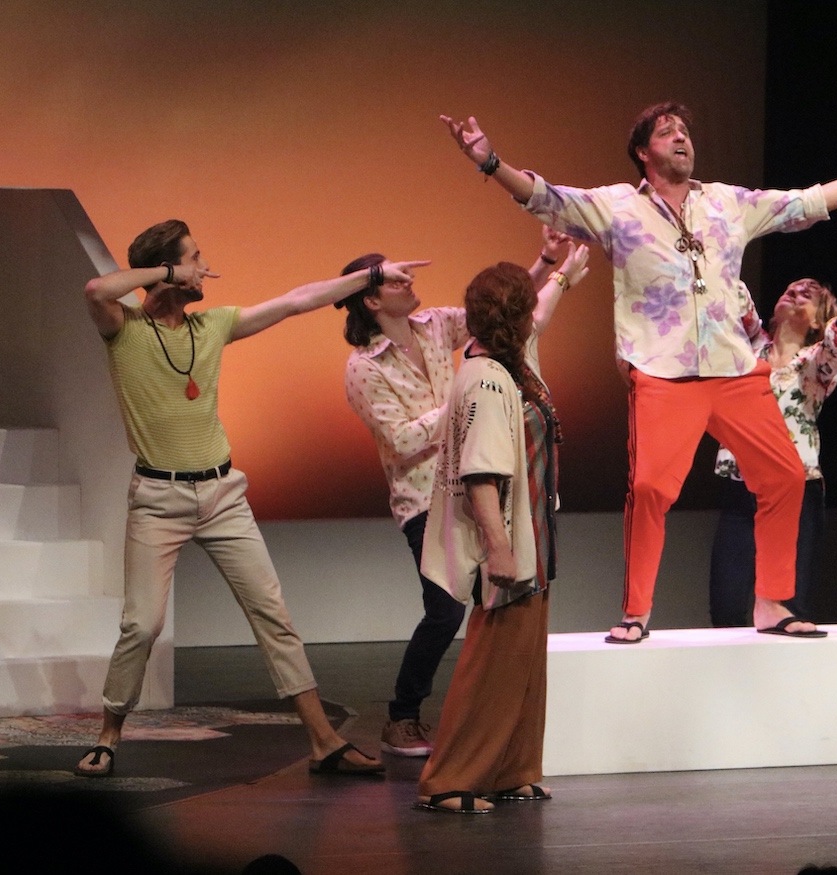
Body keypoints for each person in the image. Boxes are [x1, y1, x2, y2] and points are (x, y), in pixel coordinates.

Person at [441, 104, 837, 642]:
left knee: (786, 476)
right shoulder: (617, 207)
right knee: (650, 488)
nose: (681, 137)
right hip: (661, 372)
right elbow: (546, 197)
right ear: (642, 151)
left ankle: (771, 602)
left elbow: (809, 201)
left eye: (684, 131)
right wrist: (490, 162)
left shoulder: (727, 202)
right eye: (666, 131)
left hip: (734, 370)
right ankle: (636, 612)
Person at [77, 219, 405, 778]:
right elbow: (95, 289)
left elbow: (297, 301)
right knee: (143, 625)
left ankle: (324, 741)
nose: (205, 267)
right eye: (195, 258)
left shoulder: (212, 326)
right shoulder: (123, 328)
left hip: (223, 494)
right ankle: (108, 735)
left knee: (272, 614)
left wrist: (371, 276)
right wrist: (166, 273)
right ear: (169, 269)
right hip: (158, 498)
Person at [338, 229, 587, 758]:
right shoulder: (364, 367)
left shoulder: (433, 325)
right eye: (395, 278)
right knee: (446, 610)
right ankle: (403, 716)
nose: (409, 280)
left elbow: (497, 316)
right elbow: (402, 440)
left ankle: (489, 721)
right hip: (423, 499)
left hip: (475, 484)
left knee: (494, 605)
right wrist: (463, 402)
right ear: (371, 299)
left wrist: (545, 263)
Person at [413, 262, 564, 814]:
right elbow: (481, 471)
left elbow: (540, 322)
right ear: (517, 319)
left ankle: (509, 770)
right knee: (492, 661)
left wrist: (563, 276)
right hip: (509, 540)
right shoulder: (488, 378)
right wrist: (498, 548)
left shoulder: (508, 366)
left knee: (522, 662)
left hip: (533, 532)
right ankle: (449, 779)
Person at [708, 277, 837, 627]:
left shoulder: (815, 362)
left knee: (789, 605)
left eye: (808, 295)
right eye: (791, 289)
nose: (796, 293)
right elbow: (733, 293)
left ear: (819, 320)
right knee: (726, 604)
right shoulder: (750, 349)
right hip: (743, 487)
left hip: (796, 489)